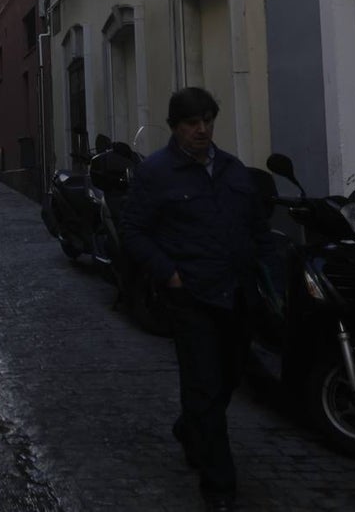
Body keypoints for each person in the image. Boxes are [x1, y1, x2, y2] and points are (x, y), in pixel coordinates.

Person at [120, 87, 276, 512]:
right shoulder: (156, 173)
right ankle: (219, 487)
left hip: (237, 294)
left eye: (207, 121)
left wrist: (269, 277)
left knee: (229, 377)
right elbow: (132, 230)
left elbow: (258, 231)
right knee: (204, 385)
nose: (202, 130)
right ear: (175, 127)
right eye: (192, 123)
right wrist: (168, 273)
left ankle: (191, 429)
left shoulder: (233, 170)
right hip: (191, 297)